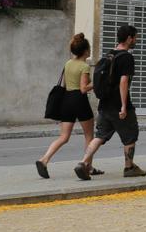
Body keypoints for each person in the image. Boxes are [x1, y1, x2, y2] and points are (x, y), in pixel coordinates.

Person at [75, 24, 146, 180]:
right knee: (130, 136)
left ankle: (83, 163)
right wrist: (123, 106)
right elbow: (123, 82)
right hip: (118, 104)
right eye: (135, 37)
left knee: (100, 136)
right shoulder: (127, 57)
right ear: (129, 38)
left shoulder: (109, 55)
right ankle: (129, 168)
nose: (136, 40)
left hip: (104, 105)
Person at [34, 33, 102, 179]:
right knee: (89, 136)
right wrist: (97, 82)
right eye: (89, 49)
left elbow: (64, 84)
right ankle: (87, 166)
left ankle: (44, 160)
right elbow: (84, 88)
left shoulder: (68, 63)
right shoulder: (84, 66)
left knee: (64, 137)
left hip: (66, 99)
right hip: (79, 100)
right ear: (85, 51)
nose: (90, 51)